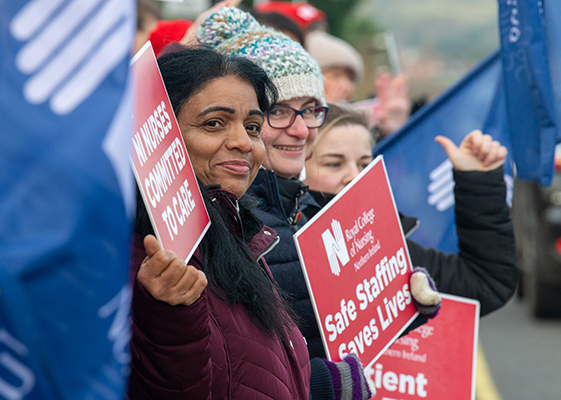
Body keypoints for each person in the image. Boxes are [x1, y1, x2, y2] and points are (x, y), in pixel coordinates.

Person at [198, 9, 441, 400]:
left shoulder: (316, 207)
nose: (299, 129)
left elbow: (333, 333)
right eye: (278, 111)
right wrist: (323, 383)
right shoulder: (221, 220)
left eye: (311, 109)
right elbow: (227, 371)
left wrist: (398, 306)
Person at [128, 47, 311, 399]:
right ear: (159, 132)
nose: (243, 142)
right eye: (214, 124)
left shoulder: (241, 236)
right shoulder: (140, 256)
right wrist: (168, 315)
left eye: (253, 127)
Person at [303, 102, 517, 327]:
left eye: (364, 164)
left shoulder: (383, 248)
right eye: (334, 164)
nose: (354, 176)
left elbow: (484, 283)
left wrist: (477, 181)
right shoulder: (276, 246)